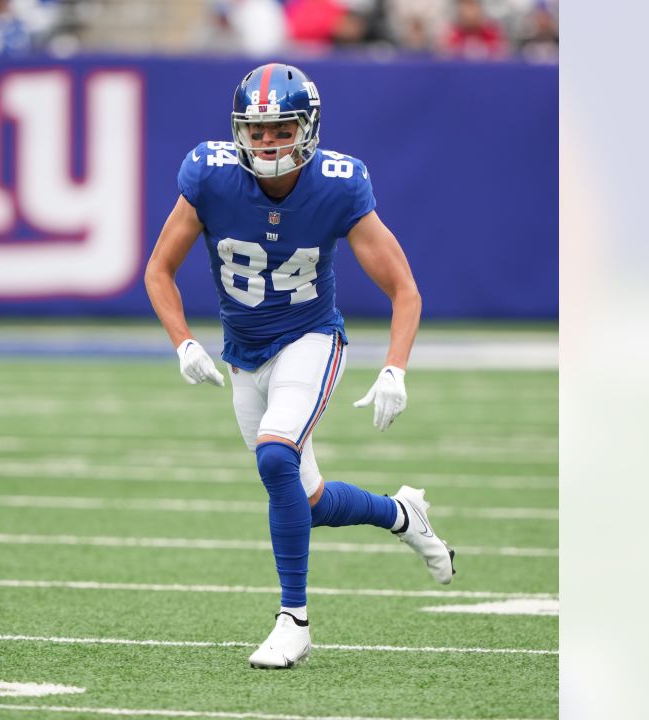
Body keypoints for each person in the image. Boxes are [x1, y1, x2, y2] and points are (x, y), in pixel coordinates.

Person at [144, 63, 455, 670]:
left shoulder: (338, 185)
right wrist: (184, 342)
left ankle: (294, 620)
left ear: (307, 128)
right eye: (256, 131)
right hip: (244, 353)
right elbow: (159, 269)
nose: (267, 143)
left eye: (280, 129)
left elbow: (405, 289)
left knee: (274, 453)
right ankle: (402, 514)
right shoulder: (208, 175)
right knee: (305, 499)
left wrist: (395, 368)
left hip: (310, 338)